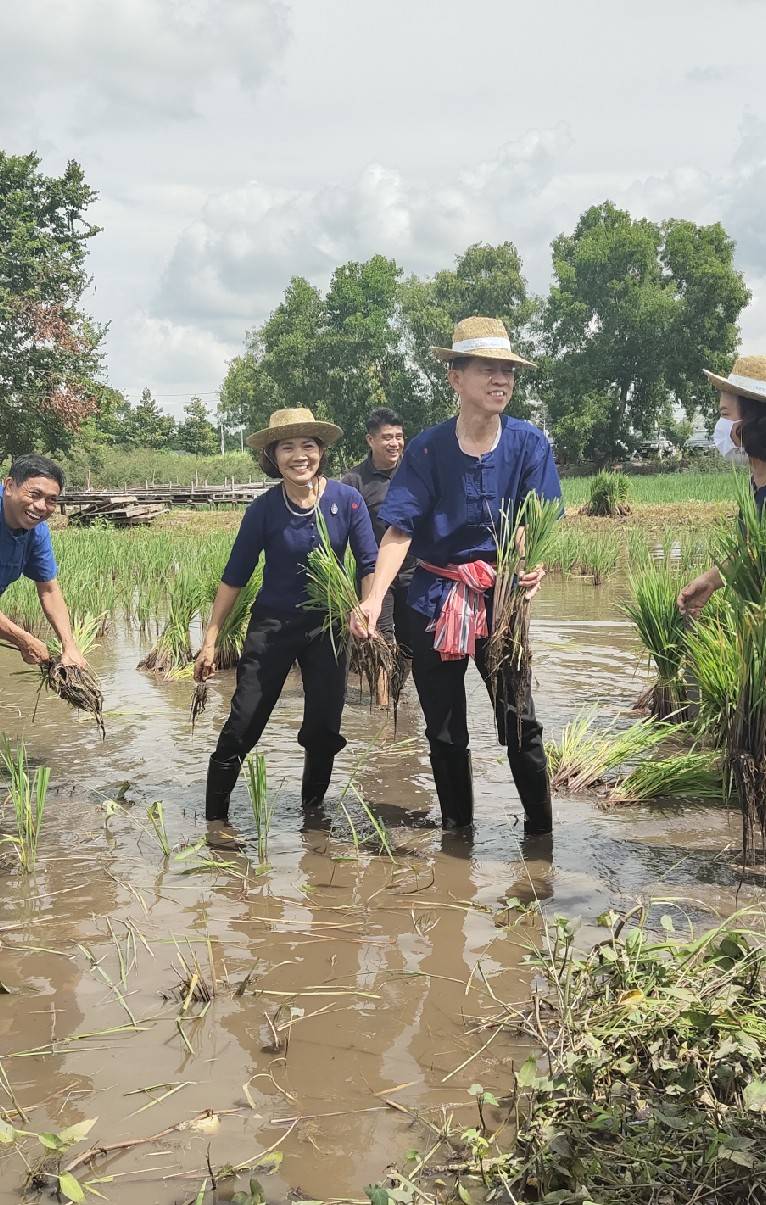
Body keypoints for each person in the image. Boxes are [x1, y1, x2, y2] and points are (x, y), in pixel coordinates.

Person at [350, 317, 562, 835]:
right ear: (455, 378)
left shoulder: (529, 444)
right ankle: (457, 837)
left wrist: (526, 565)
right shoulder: (426, 450)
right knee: (445, 732)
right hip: (431, 601)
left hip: (500, 599)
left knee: (520, 725)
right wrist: (374, 599)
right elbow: (399, 532)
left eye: (508, 371)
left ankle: (541, 837)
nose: (501, 381)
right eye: (488, 369)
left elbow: (534, 522)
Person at [195, 408, 378, 823]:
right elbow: (234, 575)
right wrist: (210, 639)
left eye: (308, 445)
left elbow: (368, 562)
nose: (300, 455)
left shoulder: (346, 501)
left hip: (328, 629)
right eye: (288, 447)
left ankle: (313, 822)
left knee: (323, 732)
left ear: (321, 452)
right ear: (273, 457)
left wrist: (367, 608)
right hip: (272, 629)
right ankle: (215, 826)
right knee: (244, 723)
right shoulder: (263, 509)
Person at [678, 355, 766, 617]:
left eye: (725, 415)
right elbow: (753, 553)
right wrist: (711, 580)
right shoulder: (755, 487)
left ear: (748, 423)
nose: (720, 426)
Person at [342, 407, 416, 702]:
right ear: (370, 440)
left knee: (411, 644)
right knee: (381, 640)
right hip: (374, 574)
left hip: (414, 571)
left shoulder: (414, 474)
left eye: (399, 437)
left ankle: (393, 696)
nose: (394, 443)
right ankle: (383, 711)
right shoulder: (354, 481)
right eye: (387, 437)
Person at [0, 454, 86, 669]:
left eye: (51, 500)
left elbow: (49, 590)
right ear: (9, 485)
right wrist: (23, 639)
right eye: (34, 494)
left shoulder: (36, 532)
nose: (41, 506)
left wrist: (69, 646)